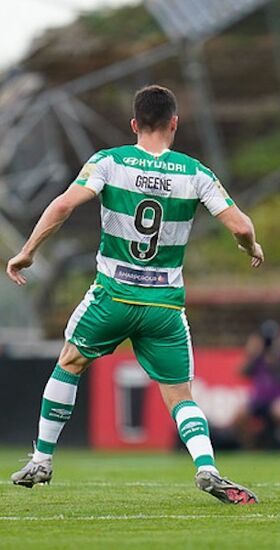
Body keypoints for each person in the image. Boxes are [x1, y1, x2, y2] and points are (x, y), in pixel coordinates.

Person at [5, 85, 264, 504]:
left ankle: (42, 458)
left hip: (114, 296)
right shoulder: (195, 172)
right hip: (164, 307)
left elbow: (62, 206)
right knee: (181, 396)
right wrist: (250, 247)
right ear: (174, 123)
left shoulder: (110, 161)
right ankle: (207, 467)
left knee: (70, 362)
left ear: (133, 124)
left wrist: (27, 252)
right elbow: (240, 226)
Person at [235, 320, 280, 450]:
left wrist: (277, 361)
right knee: (240, 414)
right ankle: (248, 445)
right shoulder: (257, 356)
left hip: (278, 398)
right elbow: (242, 372)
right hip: (258, 400)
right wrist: (251, 354)